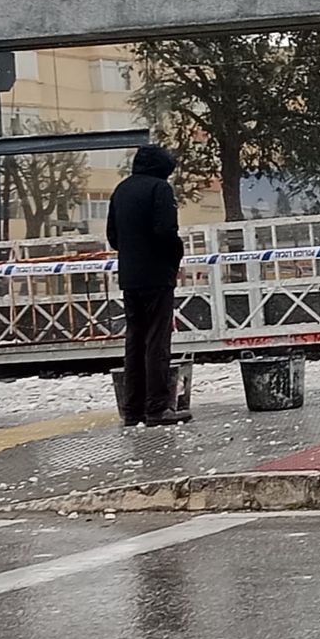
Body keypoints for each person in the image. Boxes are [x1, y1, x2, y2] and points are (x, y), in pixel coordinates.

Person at [108, 144, 191, 427]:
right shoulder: (160, 189)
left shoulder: (121, 190)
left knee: (134, 340)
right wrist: (175, 255)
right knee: (157, 340)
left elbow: (113, 237)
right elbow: (165, 230)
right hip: (157, 274)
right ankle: (157, 407)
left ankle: (132, 409)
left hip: (130, 276)